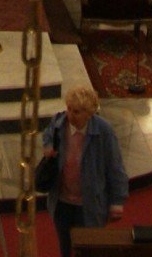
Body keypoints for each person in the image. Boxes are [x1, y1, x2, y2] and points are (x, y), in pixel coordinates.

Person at [40, 85, 128, 256]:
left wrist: (117, 201)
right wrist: (48, 146)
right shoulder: (59, 122)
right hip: (62, 202)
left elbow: (115, 167)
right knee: (65, 247)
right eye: (69, 109)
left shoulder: (104, 132)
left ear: (89, 113)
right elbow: (48, 133)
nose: (70, 115)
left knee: (89, 249)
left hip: (90, 204)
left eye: (77, 112)